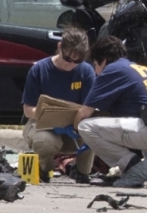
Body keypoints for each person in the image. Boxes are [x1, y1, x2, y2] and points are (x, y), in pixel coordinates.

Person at [75, 36, 147, 189]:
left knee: (86, 126)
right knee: (139, 127)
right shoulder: (140, 69)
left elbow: (84, 113)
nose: (96, 72)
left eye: (95, 65)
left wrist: (75, 128)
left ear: (103, 60)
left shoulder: (112, 69)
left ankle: (133, 167)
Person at [21, 26, 96, 183]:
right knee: (45, 142)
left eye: (77, 61)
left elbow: (89, 107)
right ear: (60, 47)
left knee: (96, 131)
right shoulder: (39, 70)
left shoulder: (86, 72)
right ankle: (45, 169)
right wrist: (52, 119)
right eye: (68, 58)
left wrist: (75, 123)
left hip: (74, 127)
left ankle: (82, 171)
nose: (71, 64)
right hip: (42, 125)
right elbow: (28, 110)